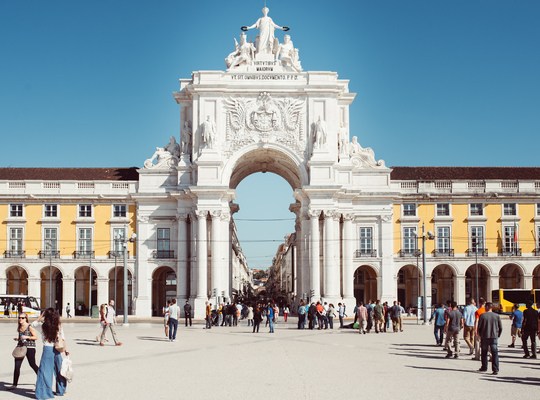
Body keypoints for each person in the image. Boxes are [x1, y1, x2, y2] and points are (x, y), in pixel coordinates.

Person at [32, 308, 68, 399]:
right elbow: (62, 338)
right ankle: (61, 390)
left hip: (47, 349)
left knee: (44, 371)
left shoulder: (43, 326)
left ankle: (44, 392)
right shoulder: (58, 325)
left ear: (46, 316)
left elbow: (33, 324)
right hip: (57, 348)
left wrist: (41, 316)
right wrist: (66, 349)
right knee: (59, 369)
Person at [7, 313, 39, 391]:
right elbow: (20, 337)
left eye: (22, 318)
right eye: (19, 318)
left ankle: (42, 380)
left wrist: (27, 337)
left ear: (26, 319)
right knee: (17, 366)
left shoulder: (29, 326)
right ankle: (14, 384)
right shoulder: (19, 327)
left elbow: (36, 337)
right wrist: (17, 339)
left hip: (30, 347)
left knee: (32, 364)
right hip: (21, 347)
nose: (20, 319)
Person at [477, 302, 502, 375]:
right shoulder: (496, 316)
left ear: (488, 307)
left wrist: (480, 334)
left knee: (484, 352)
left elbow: (479, 327)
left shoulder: (482, 316)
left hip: (485, 336)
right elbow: (500, 327)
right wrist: (498, 335)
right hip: (494, 336)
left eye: (485, 306)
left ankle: (484, 367)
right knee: (494, 353)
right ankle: (495, 369)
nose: (484, 308)